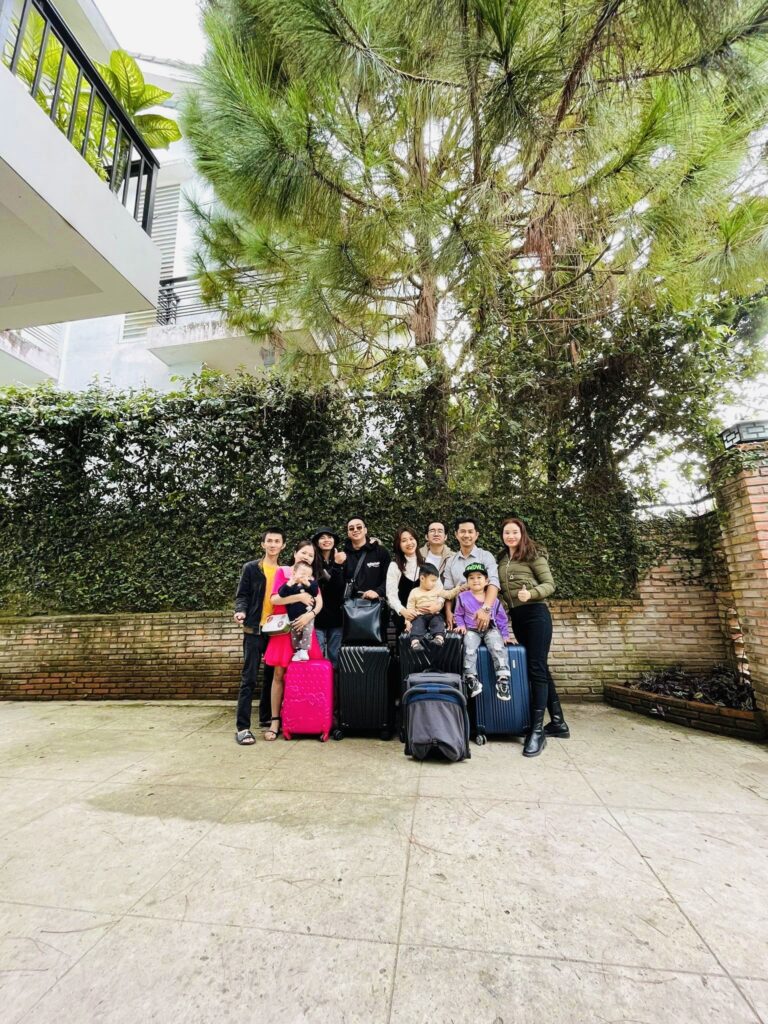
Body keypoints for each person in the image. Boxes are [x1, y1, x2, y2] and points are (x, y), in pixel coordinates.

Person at [497, 517, 569, 757]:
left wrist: (532, 593)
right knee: (539, 667)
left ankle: (537, 731)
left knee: (536, 668)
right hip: (518, 617)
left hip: (536, 614)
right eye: (507, 533)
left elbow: (550, 584)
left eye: (514, 532)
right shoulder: (502, 559)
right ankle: (558, 722)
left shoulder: (533, 554)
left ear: (522, 533)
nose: (510, 536)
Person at [264, 540, 324, 740]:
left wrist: (309, 615)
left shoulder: (311, 577)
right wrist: (299, 598)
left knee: (306, 673)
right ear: (295, 553)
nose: (307, 557)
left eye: (311, 555)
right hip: (284, 629)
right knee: (279, 674)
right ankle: (275, 721)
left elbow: (319, 602)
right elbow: (275, 599)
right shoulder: (283, 571)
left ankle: (304, 719)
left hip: (304, 627)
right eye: (304, 552)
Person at [232, 527, 285, 746]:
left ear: (283, 546)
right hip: (254, 629)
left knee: (272, 678)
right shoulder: (251, 568)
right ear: (263, 544)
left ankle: (266, 718)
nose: (273, 545)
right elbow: (242, 595)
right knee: (249, 678)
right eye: (269, 541)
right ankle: (242, 727)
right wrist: (240, 611)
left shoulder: (285, 571)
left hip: (275, 631)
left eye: (277, 541)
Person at [453, 562, 512, 701]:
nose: (475, 580)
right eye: (471, 578)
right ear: (467, 582)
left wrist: (505, 635)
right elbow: (458, 614)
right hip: (471, 630)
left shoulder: (492, 600)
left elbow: (501, 618)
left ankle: (503, 680)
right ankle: (471, 679)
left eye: (479, 577)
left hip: (490, 629)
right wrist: (461, 625)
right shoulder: (462, 597)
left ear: (486, 581)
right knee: (468, 648)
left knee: (497, 647)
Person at [443, 518, 501, 632]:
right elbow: (448, 590)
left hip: (485, 613)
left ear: (476, 535)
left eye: (470, 531)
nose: (466, 535)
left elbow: (494, 583)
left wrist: (485, 609)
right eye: (462, 531)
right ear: (456, 534)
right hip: (460, 617)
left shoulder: (486, 556)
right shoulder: (451, 561)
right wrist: (448, 612)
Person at [343, 516, 391, 635]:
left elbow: (390, 579)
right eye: (351, 528)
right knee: (352, 643)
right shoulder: (343, 555)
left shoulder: (381, 552)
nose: (355, 530)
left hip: (376, 606)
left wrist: (378, 592)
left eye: (359, 527)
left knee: (378, 642)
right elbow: (340, 583)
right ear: (348, 533)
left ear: (365, 530)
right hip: (351, 609)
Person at [404, 564, 463, 649]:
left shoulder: (437, 589)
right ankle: (415, 643)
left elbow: (449, 595)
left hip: (434, 615)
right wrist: (407, 621)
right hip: (419, 616)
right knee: (416, 625)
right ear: (422, 578)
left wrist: (459, 588)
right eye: (432, 580)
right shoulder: (414, 592)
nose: (435, 583)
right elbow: (410, 608)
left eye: (436, 581)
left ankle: (439, 639)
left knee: (438, 622)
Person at [311, 526, 346, 666]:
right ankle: (320, 681)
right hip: (316, 617)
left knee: (335, 656)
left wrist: (337, 564)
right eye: (322, 537)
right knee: (317, 656)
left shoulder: (341, 559)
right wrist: (336, 566)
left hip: (337, 617)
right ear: (317, 542)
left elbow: (338, 588)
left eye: (330, 537)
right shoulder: (312, 561)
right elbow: (317, 587)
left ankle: (335, 681)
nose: (327, 540)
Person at [386, 526, 427, 637]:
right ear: (398, 544)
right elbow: (391, 595)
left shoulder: (427, 563)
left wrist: (437, 605)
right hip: (402, 617)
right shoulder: (394, 566)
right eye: (404, 540)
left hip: (425, 615)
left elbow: (439, 589)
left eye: (411, 538)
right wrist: (403, 611)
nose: (409, 543)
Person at [278, 562, 320, 662]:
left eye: (308, 575)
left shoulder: (310, 584)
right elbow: (281, 594)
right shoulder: (291, 585)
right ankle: (297, 651)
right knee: (295, 635)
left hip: (307, 615)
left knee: (307, 632)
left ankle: (304, 650)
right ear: (294, 573)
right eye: (302, 574)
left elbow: (315, 592)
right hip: (293, 617)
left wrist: (308, 583)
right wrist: (290, 583)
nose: (305, 577)